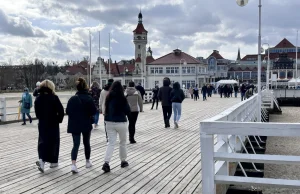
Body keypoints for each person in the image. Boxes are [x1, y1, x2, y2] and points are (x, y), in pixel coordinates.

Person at [66, 78, 97, 173]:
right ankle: (87, 161)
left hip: (74, 124)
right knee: (86, 143)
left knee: (76, 144)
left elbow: (67, 111)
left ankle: (73, 164)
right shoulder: (88, 98)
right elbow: (93, 111)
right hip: (86, 123)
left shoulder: (72, 99)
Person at [34, 80, 64, 173]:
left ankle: (42, 160)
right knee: (54, 141)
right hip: (53, 122)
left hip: (43, 122)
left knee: (42, 141)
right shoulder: (54, 97)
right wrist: (59, 119)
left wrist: (41, 118)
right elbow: (61, 111)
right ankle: (53, 161)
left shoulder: (38, 98)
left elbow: (37, 113)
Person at [102, 81, 131, 173]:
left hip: (109, 122)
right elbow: (127, 111)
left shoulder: (108, 97)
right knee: (122, 142)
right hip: (121, 122)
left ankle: (106, 163)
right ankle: (123, 161)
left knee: (111, 143)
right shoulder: (122, 98)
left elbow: (105, 109)